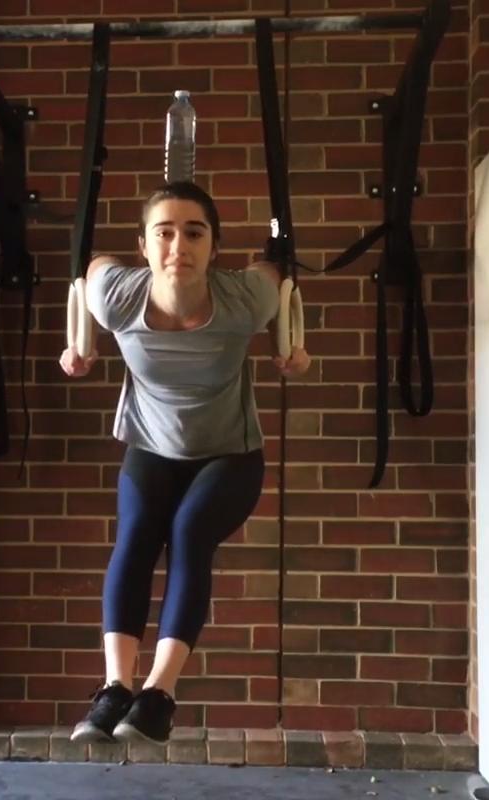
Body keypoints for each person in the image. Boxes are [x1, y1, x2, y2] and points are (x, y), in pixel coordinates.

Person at [59, 181, 311, 746]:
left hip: (229, 456)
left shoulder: (243, 300)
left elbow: (275, 272)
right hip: (151, 450)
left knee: (189, 532)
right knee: (137, 536)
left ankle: (158, 694)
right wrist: (81, 345)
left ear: (213, 247)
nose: (179, 246)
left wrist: (288, 344)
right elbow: (94, 265)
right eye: (164, 233)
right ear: (144, 247)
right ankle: (114, 688)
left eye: (194, 232)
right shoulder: (118, 297)